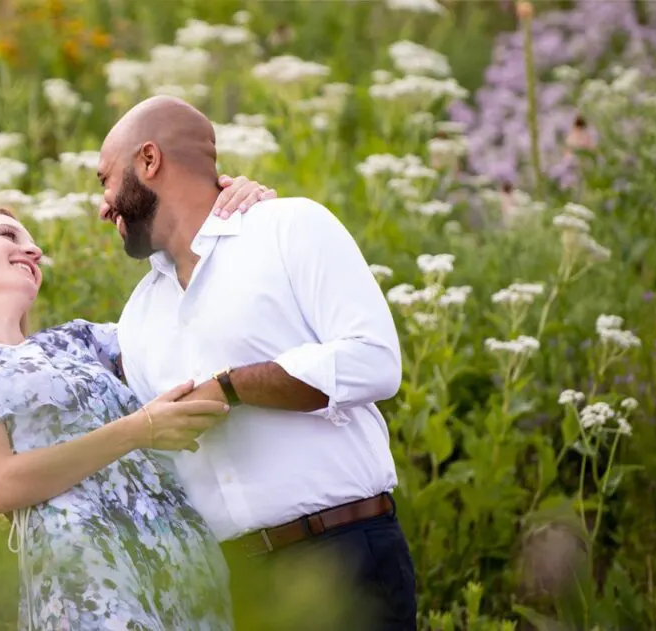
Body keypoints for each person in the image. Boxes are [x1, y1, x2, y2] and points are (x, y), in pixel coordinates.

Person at [0, 173, 275, 630]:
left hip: (183, 561)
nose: (34, 251)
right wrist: (138, 431)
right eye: (8, 236)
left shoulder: (81, 342)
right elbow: (1, 484)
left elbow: (195, 329)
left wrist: (236, 215)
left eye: (34, 244)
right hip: (90, 573)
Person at [95, 95, 416, 630]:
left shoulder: (289, 228)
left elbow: (374, 362)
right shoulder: (138, 316)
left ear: (148, 161)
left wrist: (230, 387)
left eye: (105, 180)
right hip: (231, 587)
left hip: (342, 556)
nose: (103, 206)